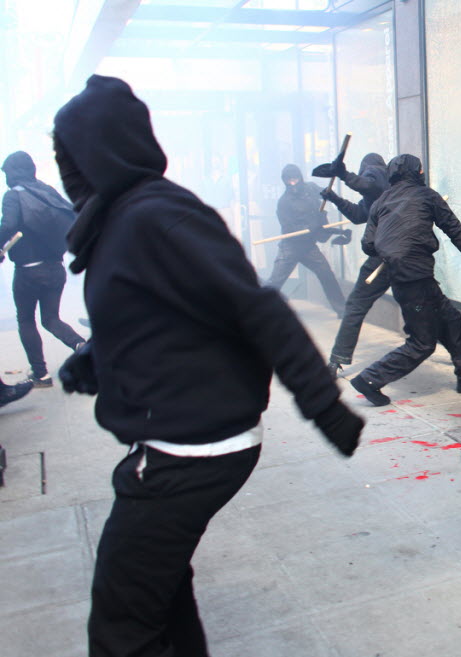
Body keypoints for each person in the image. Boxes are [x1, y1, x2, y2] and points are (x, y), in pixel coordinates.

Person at [52, 74, 365, 657]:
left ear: (98, 153)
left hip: (190, 451)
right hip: (179, 436)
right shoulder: (122, 220)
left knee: (122, 628)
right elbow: (156, 309)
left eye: (71, 159)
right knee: (160, 591)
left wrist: (325, 407)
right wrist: (94, 359)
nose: (69, 175)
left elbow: (254, 307)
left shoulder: (156, 216)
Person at [349, 153, 461, 406]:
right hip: (416, 279)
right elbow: (456, 232)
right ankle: (371, 379)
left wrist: (394, 242)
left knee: (451, 320)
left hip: (406, 278)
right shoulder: (427, 196)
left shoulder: (381, 201)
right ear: (416, 172)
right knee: (422, 343)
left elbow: (368, 245)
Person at [0, 151, 86, 387]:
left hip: (28, 272)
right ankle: (84, 347)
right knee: (51, 319)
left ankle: (40, 374)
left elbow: (7, 225)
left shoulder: (12, 196)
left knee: (26, 319)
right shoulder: (47, 192)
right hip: (55, 269)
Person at [316, 152, 391, 375]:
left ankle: (337, 358)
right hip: (403, 257)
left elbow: (368, 185)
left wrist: (343, 175)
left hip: (384, 258)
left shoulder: (376, 175)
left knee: (356, 306)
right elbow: (360, 214)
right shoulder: (386, 188)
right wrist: (335, 199)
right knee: (429, 306)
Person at [264, 163, 347, 317]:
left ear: (300, 178)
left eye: (295, 179)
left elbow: (326, 194)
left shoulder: (310, 189)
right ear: (285, 181)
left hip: (309, 246)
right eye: (289, 180)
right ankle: (255, 310)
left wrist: (329, 196)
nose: (293, 183)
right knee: (275, 281)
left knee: (326, 274)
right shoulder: (283, 202)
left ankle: (342, 310)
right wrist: (310, 227)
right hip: (290, 247)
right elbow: (288, 228)